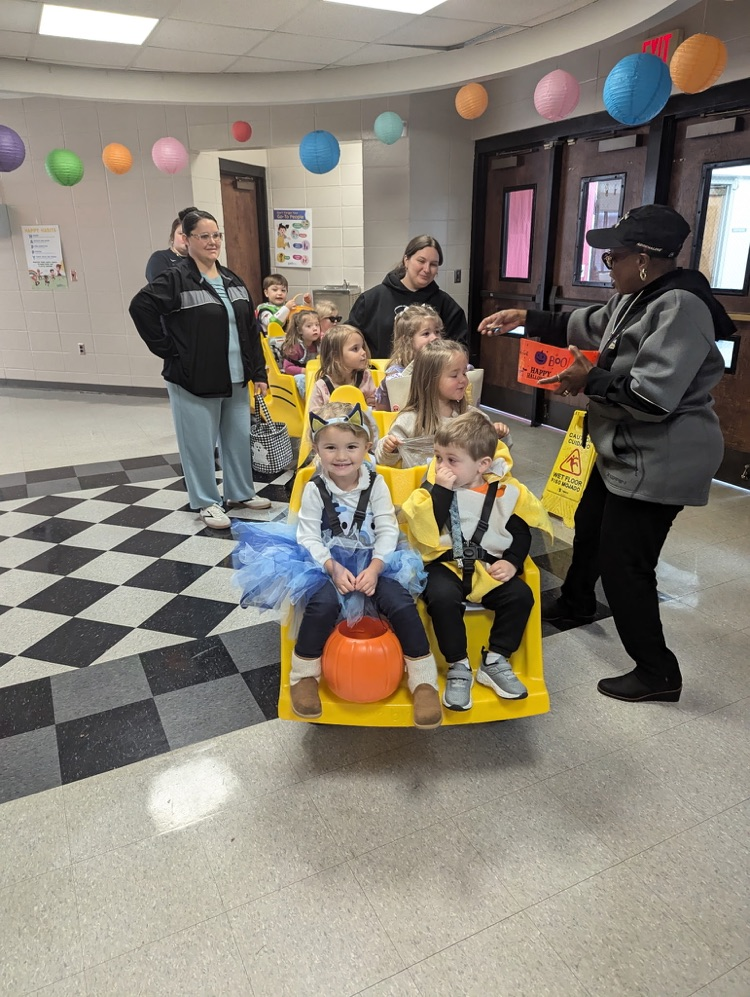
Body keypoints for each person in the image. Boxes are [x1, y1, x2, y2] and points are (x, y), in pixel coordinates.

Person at [478, 204, 734, 704]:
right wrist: (526, 317)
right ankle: (575, 602)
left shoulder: (680, 306)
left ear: (644, 258)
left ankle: (658, 672)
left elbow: (654, 397)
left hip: (660, 456)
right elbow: (588, 324)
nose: (606, 266)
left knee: (626, 564)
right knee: (590, 527)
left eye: (612, 257)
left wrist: (588, 380)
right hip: (620, 448)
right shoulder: (635, 296)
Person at [233, 403, 443, 728]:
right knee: (322, 604)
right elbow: (307, 535)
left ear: (367, 447)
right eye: (330, 447)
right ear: (316, 449)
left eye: (351, 447)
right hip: (323, 563)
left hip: (376, 560)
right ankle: (304, 675)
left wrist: (374, 568)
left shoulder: (376, 484)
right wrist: (331, 567)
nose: (341, 456)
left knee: (400, 602)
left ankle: (423, 679)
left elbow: (388, 529)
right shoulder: (316, 489)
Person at [130, 209, 271, 531]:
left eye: (216, 235)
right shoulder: (175, 278)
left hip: (235, 377)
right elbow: (141, 307)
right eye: (203, 236)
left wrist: (259, 372)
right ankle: (207, 501)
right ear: (187, 239)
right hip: (193, 380)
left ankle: (240, 493)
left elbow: (249, 330)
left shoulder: (232, 279)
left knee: (237, 438)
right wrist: (170, 350)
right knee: (199, 444)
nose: (212, 242)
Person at [401, 410, 551, 711]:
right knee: (442, 598)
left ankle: (495, 659)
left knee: (521, 596)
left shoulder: (506, 494)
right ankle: (458, 664)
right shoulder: (433, 489)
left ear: (482, 464)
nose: (442, 466)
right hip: (444, 564)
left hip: (487, 567)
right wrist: (442, 489)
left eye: (451, 460)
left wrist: (512, 562)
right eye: (438, 457)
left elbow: (520, 533)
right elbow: (429, 525)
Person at [375, 340, 510, 468]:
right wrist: (389, 449)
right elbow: (384, 461)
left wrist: (500, 436)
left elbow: (496, 454)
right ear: (429, 381)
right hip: (424, 490)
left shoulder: (472, 417)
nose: (463, 380)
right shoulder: (409, 420)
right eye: (454, 375)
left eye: (464, 373)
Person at [347, 235, 468, 356]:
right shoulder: (371, 300)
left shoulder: (447, 306)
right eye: (421, 261)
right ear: (406, 260)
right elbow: (347, 341)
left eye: (433, 264)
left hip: (430, 374)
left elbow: (460, 350)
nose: (426, 269)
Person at [374, 303, 442, 410]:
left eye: (437, 332)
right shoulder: (397, 372)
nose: (435, 337)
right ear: (407, 341)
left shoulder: (440, 364)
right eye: (426, 333)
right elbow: (383, 410)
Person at [307, 324, 378, 411]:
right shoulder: (322, 386)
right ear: (336, 356)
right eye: (355, 349)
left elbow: (374, 408)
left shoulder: (365, 376)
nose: (363, 352)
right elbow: (313, 417)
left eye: (362, 347)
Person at [145, 205, 196, 281]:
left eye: (191, 234)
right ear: (172, 237)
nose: (186, 238)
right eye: (181, 234)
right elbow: (161, 287)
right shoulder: (160, 258)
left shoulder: (200, 260)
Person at [281, 309, 321, 398]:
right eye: (309, 326)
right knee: (301, 379)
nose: (315, 328)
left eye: (317, 325)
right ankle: (308, 401)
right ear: (299, 330)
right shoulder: (294, 348)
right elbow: (287, 368)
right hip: (293, 378)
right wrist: (305, 371)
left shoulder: (318, 345)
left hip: (312, 374)